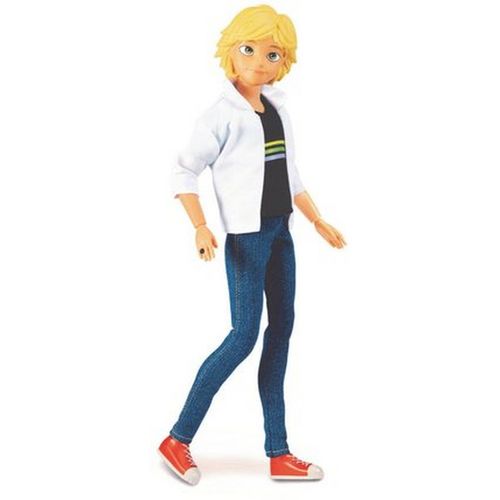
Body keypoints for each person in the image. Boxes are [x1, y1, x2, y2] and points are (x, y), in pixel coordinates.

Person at [158, 4, 347, 485]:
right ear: (230, 52)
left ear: (284, 62)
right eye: (249, 50)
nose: (260, 62)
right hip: (247, 236)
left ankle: (279, 451)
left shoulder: (277, 111)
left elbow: (289, 172)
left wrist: (317, 219)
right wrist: (200, 226)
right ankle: (177, 438)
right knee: (243, 335)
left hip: (282, 230)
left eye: (273, 54)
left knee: (281, 329)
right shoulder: (220, 116)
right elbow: (184, 171)